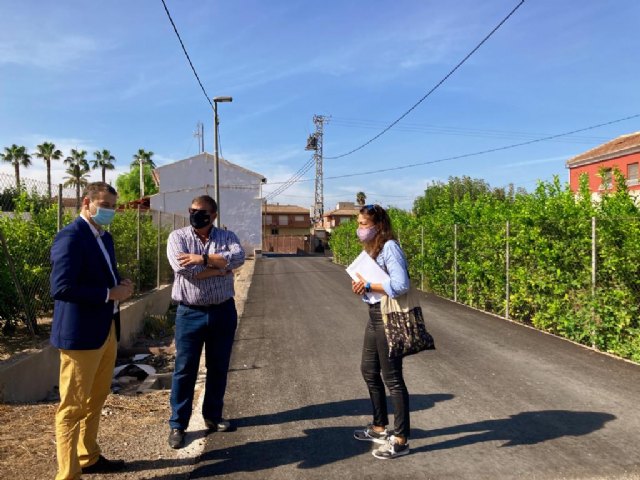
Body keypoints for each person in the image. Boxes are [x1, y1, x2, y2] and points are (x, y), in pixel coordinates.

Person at [50, 182, 134, 479]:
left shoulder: (104, 238)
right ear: (87, 203)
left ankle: (89, 456)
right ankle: (68, 474)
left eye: (113, 206)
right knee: (72, 408)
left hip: (105, 329)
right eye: (106, 205)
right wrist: (108, 294)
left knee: (96, 400)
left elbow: (105, 274)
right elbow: (61, 287)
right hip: (80, 337)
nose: (111, 211)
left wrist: (121, 284)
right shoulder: (70, 237)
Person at [166, 195, 245, 449]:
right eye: (192, 210)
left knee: (219, 367)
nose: (195, 214)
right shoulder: (177, 237)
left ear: (213, 215)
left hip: (223, 311)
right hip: (190, 313)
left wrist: (203, 259)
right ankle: (178, 424)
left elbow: (239, 258)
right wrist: (221, 267)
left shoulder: (227, 236)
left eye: (201, 211)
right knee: (184, 370)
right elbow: (184, 271)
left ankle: (212, 415)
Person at [351, 204, 412, 459]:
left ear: (378, 226)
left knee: (393, 379)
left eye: (364, 225)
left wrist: (368, 285)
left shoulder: (389, 248)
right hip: (374, 315)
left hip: (388, 316)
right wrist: (363, 287)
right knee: (368, 370)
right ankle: (379, 427)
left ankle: (400, 439)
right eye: (359, 224)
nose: (360, 229)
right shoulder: (373, 249)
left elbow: (401, 284)